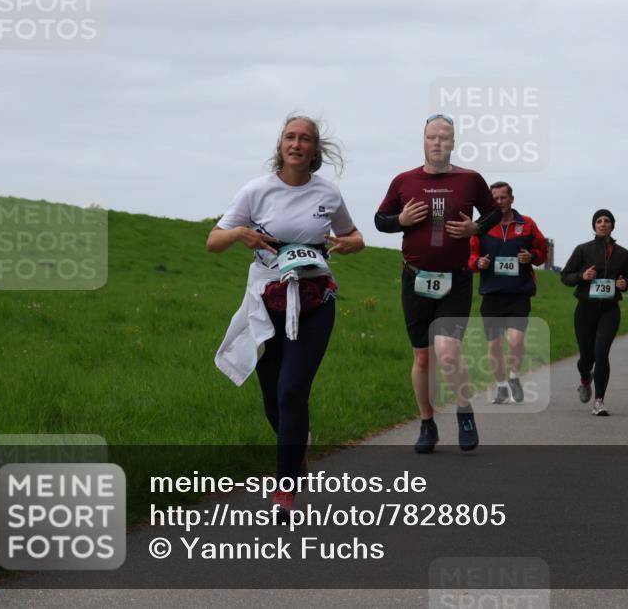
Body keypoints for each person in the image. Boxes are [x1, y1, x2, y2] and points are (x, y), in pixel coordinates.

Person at [210, 114, 364, 516]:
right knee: (272, 395)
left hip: (315, 303)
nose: (296, 144)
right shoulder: (255, 191)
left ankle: (284, 491)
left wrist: (348, 245)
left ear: (315, 150)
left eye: (305, 139)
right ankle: (298, 448)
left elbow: (355, 237)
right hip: (266, 303)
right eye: (290, 138)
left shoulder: (327, 194)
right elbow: (213, 241)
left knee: (292, 390)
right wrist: (239, 234)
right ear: (281, 145)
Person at [375, 114, 502, 453]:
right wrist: (400, 220)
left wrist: (475, 229)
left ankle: (463, 411)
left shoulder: (470, 179)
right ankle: (427, 423)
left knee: (447, 351)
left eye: (445, 137)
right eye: (432, 136)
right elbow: (379, 221)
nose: (438, 142)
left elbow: (492, 213)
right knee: (422, 358)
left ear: (454, 142)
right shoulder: (404, 181)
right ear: (423, 140)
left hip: (455, 279)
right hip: (415, 279)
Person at [468, 182, 548, 404]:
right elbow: (470, 256)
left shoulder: (527, 224)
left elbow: (542, 250)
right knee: (494, 345)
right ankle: (501, 386)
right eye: (495, 198)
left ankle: (514, 376)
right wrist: (478, 263)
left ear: (512, 199)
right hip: (492, 293)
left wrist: (531, 256)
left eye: (503, 198)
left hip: (518, 292)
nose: (499, 202)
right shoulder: (481, 226)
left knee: (515, 339)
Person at [560, 210, 628, 416]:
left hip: (609, 310)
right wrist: (582, 276)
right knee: (586, 359)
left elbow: (626, 281)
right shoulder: (583, 250)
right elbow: (565, 276)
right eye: (599, 221)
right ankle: (584, 378)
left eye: (607, 221)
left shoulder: (622, 253)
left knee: (601, 353)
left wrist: (623, 284)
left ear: (612, 225)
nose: (603, 224)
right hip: (585, 309)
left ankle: (599, 401)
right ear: (594, 226)